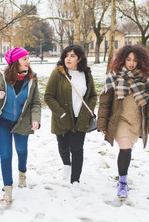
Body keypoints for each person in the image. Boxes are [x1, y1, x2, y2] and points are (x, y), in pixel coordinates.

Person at [97, 44, 149, 198]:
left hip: (137, 121)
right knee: (124, 148)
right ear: (122, 60)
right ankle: (123, 183)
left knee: (128, 150)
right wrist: (102, 124)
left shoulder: (146, 80)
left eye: (135, 60)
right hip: (120, 121)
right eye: (128, 59)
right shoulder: (114, 76)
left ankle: (123, 178)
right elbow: (105, 102)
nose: (131, 63)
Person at [0, 47, 41, 205]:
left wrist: (36, 119)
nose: (28, 62)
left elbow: (36, 103)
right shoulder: (0, 76)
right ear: (15, 62)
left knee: (21, 150)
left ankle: (22, 174)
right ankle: (8, 190)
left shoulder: (32, 79)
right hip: (3, 121)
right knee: (5, 156)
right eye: (24, 59)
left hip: (22, 122)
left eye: (28, 59)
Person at [44, 44, 97, 195]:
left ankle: (75, 181)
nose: (68, 58)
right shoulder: (58, 73)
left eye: (72, 56)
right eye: (66, 55)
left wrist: (88, 112)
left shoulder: (86, 74)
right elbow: (48, 96)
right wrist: (61, 113)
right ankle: (66, 164)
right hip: (62, 118)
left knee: (77, 149)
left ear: (79, 58)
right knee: (63, 147)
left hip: (80, 119)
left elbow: (93, 95)